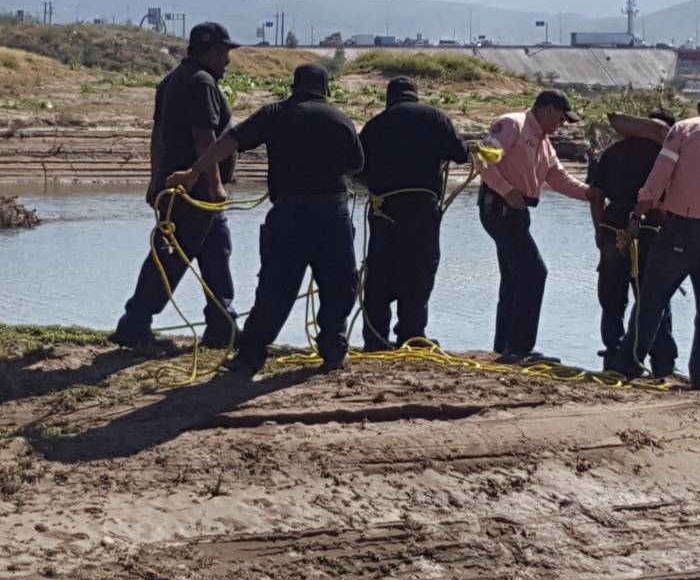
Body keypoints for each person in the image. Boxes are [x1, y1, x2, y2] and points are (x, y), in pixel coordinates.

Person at [165, 64, 363, 373]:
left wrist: (194, 173)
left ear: (294, 87)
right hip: (332, 213)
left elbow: (228, 141)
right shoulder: (340, 119)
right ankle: (333, 351)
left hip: (289, 214)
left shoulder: (274, 113)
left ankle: (251, 355)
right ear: (326, 90)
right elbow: (356, 166)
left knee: (275, 287)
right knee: (339, 284)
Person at [612, 89, 700, 391]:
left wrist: (639, 211)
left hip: (681, 228)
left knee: (652, 299)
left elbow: (660, 173)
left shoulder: (685, 129)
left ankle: (628, 365)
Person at [111, 22, 241, 349]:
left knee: (217, 253)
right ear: (209, 51)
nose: (227, 59)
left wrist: (155, 178)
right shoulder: (202, 83)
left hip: (178, 188)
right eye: (224, 52)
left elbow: (158, 134)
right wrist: (214, 185)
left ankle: (222, 327)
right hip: (194, 192)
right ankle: (134, 323)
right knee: (170, 258)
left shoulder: (171, 80)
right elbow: (203, 137)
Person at [357, 76, 470, 351]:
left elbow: (356, 166)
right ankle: (412, 334)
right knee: (418, 270)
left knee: (381, 271)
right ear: (415, 96)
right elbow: (460, 155)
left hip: (384, 208)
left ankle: (375, 338)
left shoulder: (375, 125)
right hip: (422, 208)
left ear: (389, 98)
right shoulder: (435, 118)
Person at [478, 89, 590, 364]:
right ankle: (520, 348)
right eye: (562, 118)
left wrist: (591, 194)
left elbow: (558, 178)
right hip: (500, 206)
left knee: (515, 277)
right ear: (549, 109)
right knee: (534, 273)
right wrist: (506, 191)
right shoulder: (512, 124)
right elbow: (483, 159)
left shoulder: (544, 142)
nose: (561, 125)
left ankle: (505, 345)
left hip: (517, 210)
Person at [589, 110, 679, 376]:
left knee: (612, 297)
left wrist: (598, 231)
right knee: (653, 296)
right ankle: (662, 363)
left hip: (611, 226)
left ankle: (614, 356)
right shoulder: (668, 156)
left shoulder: (612, 152)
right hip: (649, 229)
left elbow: (595, 195)